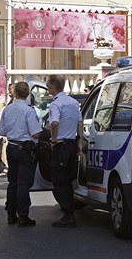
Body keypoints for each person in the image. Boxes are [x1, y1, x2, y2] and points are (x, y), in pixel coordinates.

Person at [0, 82, 42, 227]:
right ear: (28, 93)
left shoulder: (8, 109)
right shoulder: (29, 111)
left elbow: (2, 131)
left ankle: (11, 214)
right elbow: (36, 132)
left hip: (12, 147)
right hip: (25, 149)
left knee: (13, 182)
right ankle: (23, 215)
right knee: (23, 183)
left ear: (14, 93)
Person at [46, 75, 83, 228]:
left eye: (48, 85)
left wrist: (53, 140)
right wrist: (80, 140)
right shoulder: (73, 102)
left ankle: (68, 213)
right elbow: (79, 122)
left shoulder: (56, 104)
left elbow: (54, 123)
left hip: (60, 146)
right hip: (72, 144)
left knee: (59, 180)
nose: (48, 88)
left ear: (54, 86)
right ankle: (69, 209)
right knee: (68, 179)